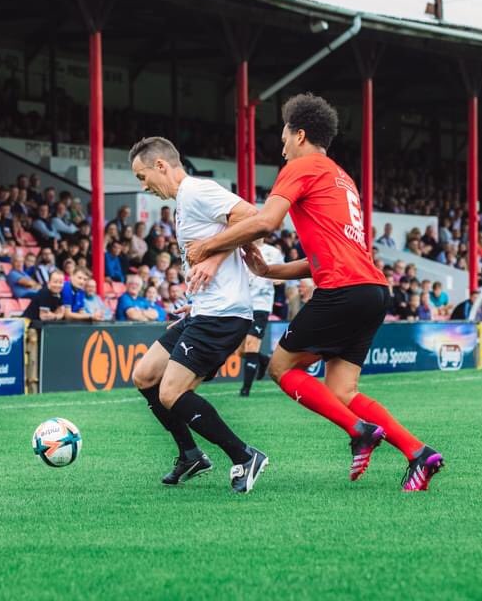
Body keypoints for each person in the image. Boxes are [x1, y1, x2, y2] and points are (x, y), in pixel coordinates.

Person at [187, 95, 441, 489]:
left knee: (282, 368)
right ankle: (419, 454)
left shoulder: (301, 165)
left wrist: (208, 247)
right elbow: (332, 254)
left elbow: (266, 221)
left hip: (343, 289)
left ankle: (359, 432)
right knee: (342, 390)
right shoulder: (342, 177)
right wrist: (270, 270)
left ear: (299, 133)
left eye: (285, 136)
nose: (282, 145)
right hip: (372, 289)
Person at [128, 136, 268, 494]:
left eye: (142, 177)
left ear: (161, 165)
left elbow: (253, 217)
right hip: (205, 309)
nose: (143, 186)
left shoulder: (195, 191)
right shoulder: (183, 203)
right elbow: (226, 232)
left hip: (223, 315)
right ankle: (190, 454)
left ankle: (244, 455)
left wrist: (212, 256)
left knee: (171, 393)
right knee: (145, 376)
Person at [239, 238, 284, 397]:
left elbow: (282, 275)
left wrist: (278, 278)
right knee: (239, 350)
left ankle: (245, 390)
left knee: (251, 345)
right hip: (240, 304)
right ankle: (263, 360)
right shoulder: (240, 249)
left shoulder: (274, 252)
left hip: (261, 304)